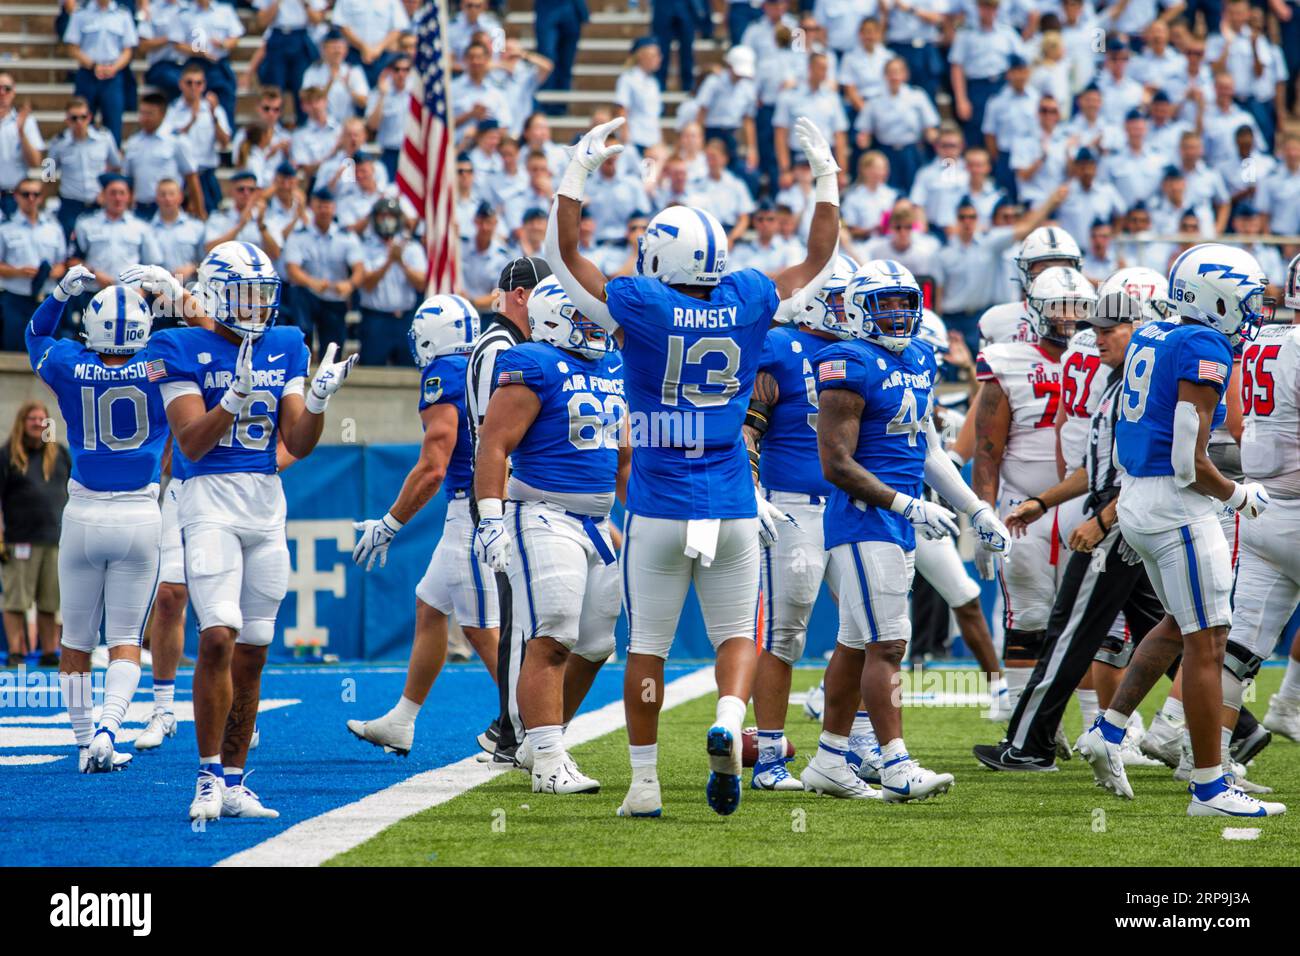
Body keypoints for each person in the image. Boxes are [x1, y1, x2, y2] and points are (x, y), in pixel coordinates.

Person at [543, 114, 840, 818]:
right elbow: (817, 260)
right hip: (734, 502)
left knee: (645, 646)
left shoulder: (641, 305)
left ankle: (644, 785)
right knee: (739, 637)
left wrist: (575, 173)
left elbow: (564, 258)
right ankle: (732, 723)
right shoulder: (747, 299)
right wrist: (825, 176)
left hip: (657, 503)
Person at [149, 241, 358, 820]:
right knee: (217, 635)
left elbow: (298, 441)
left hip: (266, 502)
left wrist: (316, 398)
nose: (258, 307)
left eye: (264, 295)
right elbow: (190, 442)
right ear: (215, 293)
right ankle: (207, 777)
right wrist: (235, 400)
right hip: (207, 498)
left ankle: (236, 780)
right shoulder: (177, 344)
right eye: (246, 294)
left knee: (255, 650)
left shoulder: (286, 342)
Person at [1078, 243, 1282, 817]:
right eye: (1243, 300)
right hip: (1178, 505)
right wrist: (1242, 495)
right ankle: (1211, 788)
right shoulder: (1202, 344)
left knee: (1176, 625)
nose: (1251, 312)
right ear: (1213, 297)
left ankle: (1110, 729)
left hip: (1139, 499)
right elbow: (1191, 461)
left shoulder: (1154, 331)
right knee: (1209, 641)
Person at [802, 259, 1010, 800]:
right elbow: (836, 463)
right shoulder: (846, 362)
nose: (896, 312)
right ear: (857, 308)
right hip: (862, 519)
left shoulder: (919, 355)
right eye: (884, 302)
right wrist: (909, 507)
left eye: (903, 301)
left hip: (893, 519)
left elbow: (928, 449)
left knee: (854, 645)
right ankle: (894, 762)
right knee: (889, 643)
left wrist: (976, 508)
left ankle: (828, 759)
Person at [972, 288, 1163, 771]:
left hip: (1120, 520)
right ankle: (1236, 731)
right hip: (1114, 514)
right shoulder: (1116, 383)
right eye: (1092, 329)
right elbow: (1091, 469)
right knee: (1166, 627)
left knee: (1070, 633)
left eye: (1105, 330)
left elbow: (1148, 470)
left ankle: (1031, 744)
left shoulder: (1142, 386)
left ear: (1138, 328)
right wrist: (1041, 502)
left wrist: (1101, 520)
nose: (1093, 339)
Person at [473, 275, 628, 791]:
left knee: (597, 641)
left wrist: (648, 517)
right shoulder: (531, 361)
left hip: (598, 521)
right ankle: (545, 759)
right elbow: (493, 445)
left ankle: (545, 737)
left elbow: (623, 458)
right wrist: (490, 518)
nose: (595, 324)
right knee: (555, 633)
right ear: (555, 316)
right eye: (583, 314)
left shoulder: (611, 365)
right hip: (543, 512)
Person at [348, 295, 500, 753]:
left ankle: (533, 728)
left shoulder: (444, 374)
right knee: (431, 606)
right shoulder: (487, 362)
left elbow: (434, 466)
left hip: (471, 507)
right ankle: (402, 720)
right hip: (488, 502)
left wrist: (390, 523)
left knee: (479, 627)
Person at [25, 267, 163, 769]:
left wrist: (60, 293)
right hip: (138, 515)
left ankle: (85, 744)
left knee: (75, 640)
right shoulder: (161, 362)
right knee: (125, 639)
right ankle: (109, 728)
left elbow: (36, 334)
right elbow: (212, 338)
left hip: (82, 513)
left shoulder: (68, 362)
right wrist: (171, 291)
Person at [743, 261, 857, 791]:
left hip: (850, 507)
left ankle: (854, 746)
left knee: (866, 630)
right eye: (839, 299)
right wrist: (751, 494)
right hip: (792, 509)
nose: (848, 310)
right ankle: (769, 757)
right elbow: (746, 425)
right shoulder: (779, 346)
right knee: (784, 634)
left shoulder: (858, 352)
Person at [972, 266, 1093, 718]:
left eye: (1079, 310)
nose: (1069, 320)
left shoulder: (1106, 357)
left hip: (1086, 505)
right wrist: (982, 514)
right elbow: (987, 451)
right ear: (1037, 312)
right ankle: (1023, 724)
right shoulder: (1008, 359)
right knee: (1028, 619)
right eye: (1060, 310)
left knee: (1088, 623)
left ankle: (1094, 726)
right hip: (1024, 507)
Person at [466, 256, 553, 764]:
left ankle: (507, 724)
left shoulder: (513, 345)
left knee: (523, 615)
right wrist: (493, 512)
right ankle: (512, 732)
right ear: (521, 294)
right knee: (519, 617)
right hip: (509, 495)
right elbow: (493, 439)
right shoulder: (500, 347)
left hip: (514, 493)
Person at [0, 397, 70, 668]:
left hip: (55, 539)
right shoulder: (8, 456)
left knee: (50, 601)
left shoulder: (59, 454)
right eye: (32, 419)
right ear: (22, 423)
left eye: (42, 419)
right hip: (20, 539)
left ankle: (49, 651)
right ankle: (17, 651)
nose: (38, 423)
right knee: (17, 600)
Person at [284, 188, 365, 355]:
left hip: (334, 297)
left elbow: (359, 269)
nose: (323, 210)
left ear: (334, 208)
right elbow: (292, 270)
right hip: (308, 294)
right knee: (301, 326)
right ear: (312, 207)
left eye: (327, 206)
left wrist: (349, 285)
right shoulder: (299, 236)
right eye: (320, 206)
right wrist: (312, 283)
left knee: (332, 348)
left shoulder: (346, 237)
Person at [355, 198, 426, 366]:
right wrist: (388, 262)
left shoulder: (412, 247)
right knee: (372, 369)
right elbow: (367, 284)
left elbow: (421, 283)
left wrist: (401, 262)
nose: (386, 220)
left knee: (408, 371)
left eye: (391, 216)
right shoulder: (365, 247)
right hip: (376, 320)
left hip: (405, 319)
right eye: (382, 216)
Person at [0, 181, 68, 350]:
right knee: (14, 349)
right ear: (16, 196)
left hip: (47, 298)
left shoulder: (54, 229)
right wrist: (18, 272)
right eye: (26, 194)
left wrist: (50, 272)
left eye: (35, 194)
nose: (31, 199)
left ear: (41, 197)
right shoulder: (5, 229)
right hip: (16, 298)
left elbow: (63, 264)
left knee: (49, 350)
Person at [62, 0, 137, 145]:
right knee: (81, 120)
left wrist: (114, 67)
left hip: (113, 74)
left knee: (113, 122)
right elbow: (72, 47)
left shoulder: (123, 14)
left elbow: (128, 50)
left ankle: (112, 163)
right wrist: (93, 65)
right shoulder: (81, 13)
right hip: (88, 73)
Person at [162, 65, 231, 219]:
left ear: (204, 85)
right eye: (189, 83)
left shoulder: (215, 110)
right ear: (181, 84)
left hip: (206, 173)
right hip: (182, 176)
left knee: (211, 218)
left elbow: (225, 142)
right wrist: (190, 123)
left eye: (198, 83)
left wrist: (213, 116)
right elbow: (166, 140)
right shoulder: (173, 109)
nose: (194, 87)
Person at [47, 98, 121, 241]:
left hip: (98, 204)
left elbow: (116, 167)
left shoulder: (104, 137)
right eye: (74, 118)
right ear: (67, 120)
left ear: (90, 117)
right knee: (68, 245)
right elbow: (47, 175)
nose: (79, 122)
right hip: (70, 204)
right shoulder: (57, 142)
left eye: (83, 117)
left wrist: (106, 193)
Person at [122, 92, 202, 221]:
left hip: (168, 208)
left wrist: (200, 211)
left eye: (150, 114)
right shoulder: (133, 142)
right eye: (142, 113)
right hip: (141, 209)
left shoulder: (176, 140)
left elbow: (191, 177)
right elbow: (128, 179)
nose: (144, 118)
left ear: (163, 114)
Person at [254, 0, 327, 117]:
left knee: (302, 87)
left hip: (300, 36)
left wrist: (305, 3)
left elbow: (318, 20)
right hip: (277, 36)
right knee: (275, 87)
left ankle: (304, 125)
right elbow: (262, 21)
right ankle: (275, 126)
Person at [0, 75, 45, 217]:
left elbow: (37, 163)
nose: (2, 93)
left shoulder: (27, 121)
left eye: (6, 89)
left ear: (13, 92)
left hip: (17, 196)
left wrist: (21, 132)